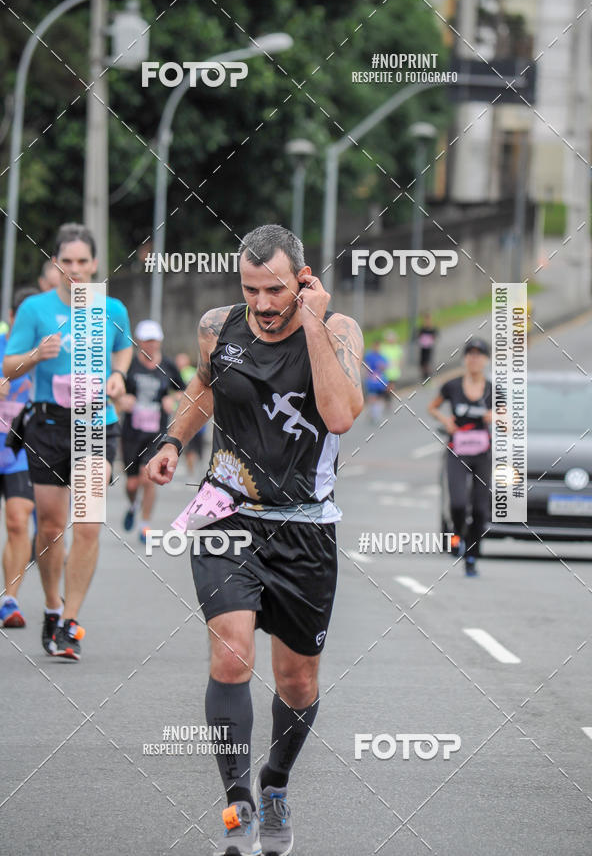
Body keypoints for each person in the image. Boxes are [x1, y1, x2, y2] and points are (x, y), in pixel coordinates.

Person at [146, 224, 363, 856]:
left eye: (275, 291)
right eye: (251, 290)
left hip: (305, 528)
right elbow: (207, 389)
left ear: (302, 280)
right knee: (231, 654)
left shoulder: (340, 331)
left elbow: (342, 414)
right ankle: (238, 801)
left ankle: (274, 782)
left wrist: (316, 324)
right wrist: (171, 440)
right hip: (227, 512)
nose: (263, 305)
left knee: (296, 683)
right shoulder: (221, 324)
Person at [2, 223, 132, 659]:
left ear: (95, 264)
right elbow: (9, 364)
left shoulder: (111, 308)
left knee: (89, 524)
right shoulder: (35, 310)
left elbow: (122, 351)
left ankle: (71, 622)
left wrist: (117, 374)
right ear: (55, 263)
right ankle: (53, 607)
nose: (75, 269)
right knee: (52, 528)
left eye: (83, 262)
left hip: (96, 422)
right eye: (67, 261)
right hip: (48, 425)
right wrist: (36, 354)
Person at [427, 338, 492, 576]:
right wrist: (447, 421)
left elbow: (507, 420)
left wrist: (493, 417)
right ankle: (457, 534)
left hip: (482, 455)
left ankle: (472, 555)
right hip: (457, 452)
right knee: (457, 504)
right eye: (470, 354)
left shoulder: (493, 390)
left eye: (479, 354)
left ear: (486, 360)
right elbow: (432, 407)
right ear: (465, 358)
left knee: (480, 510)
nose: (474, 358)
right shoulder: (452, 386)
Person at [120, 320, 183, 542]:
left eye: (155, 340)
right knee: (132, 484)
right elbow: (115, 391)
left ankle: (145, 525)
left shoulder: (168, 365)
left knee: (148, 479)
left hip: (156, 432)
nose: (152, 345)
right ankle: (133, 503)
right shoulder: (129, 366)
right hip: (131, 432)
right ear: (139, 342)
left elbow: (182, 391)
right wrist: (122, 399)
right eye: (147, 340)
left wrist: (171, 400)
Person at [0, 287, 38, 628]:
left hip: (18, 450)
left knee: (17, 519)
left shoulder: (46, 352)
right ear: (14, 318)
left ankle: (9, 600)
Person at [175, 352, 207, 478]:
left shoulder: (192, 373)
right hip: (183, 413)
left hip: (195, 413)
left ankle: (195, 469)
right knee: (189, 444)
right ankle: (192, 470)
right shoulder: (176, 372)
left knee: (196, 443)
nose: (179, 364)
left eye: (181, 361)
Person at [363, 339, 389, 424]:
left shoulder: (382, 356)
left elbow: (385, 366)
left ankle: (377, 414)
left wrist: (382, 367)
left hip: (381, 380)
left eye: (378, 346)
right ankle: (372, 412)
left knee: (380, 397)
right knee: (372, 397)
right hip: (371, 381)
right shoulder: (369, 356)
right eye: (375, 346)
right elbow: (365, 365)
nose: (377, 348)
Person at [379, 330, 403, 406]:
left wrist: (398, 365)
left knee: (391, 386)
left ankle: (388, 398)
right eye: (389, 338)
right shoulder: (383, 348)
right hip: (385, 371)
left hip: (394, 371)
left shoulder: (397, 348)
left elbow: (400, 359)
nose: (391, 340)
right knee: (386, 386)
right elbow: (380, 358)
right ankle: (387, 398)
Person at [416, 312, 438, 381]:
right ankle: (424, 376)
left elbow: (435, 336)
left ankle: (428, 377)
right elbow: (418, 336)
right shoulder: (422, 328)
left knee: (427, 362)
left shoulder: (432, 328)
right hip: (423, 348)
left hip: (429, 348)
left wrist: (431, 338)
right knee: (422, 362)